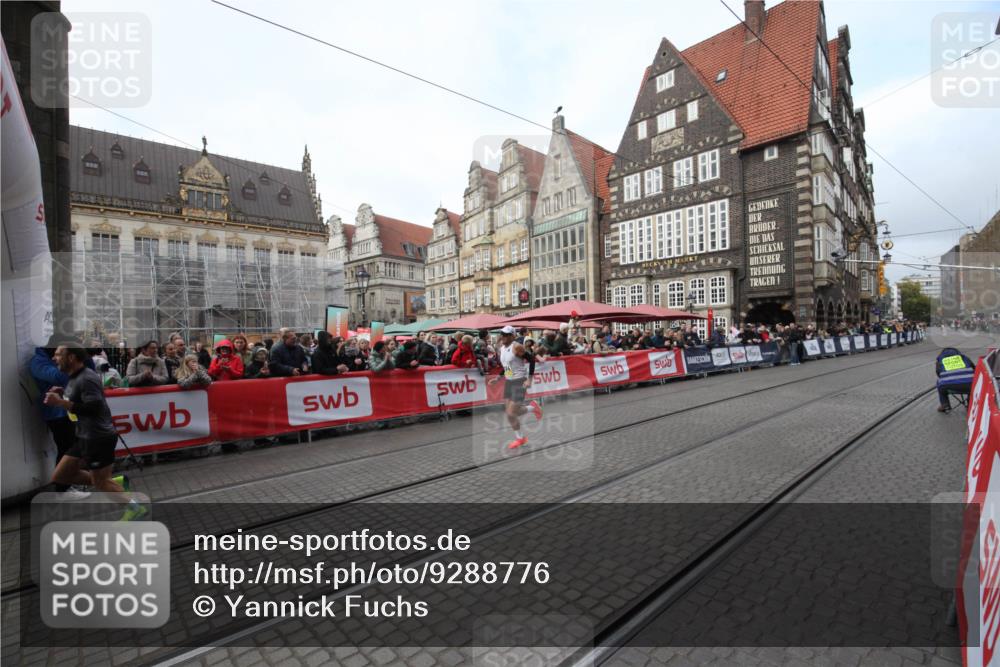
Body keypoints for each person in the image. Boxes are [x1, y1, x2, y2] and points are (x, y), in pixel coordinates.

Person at [45, 344, 145, 521]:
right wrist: (62, 393)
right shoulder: (73, 376)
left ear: (72, 358)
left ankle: (134, 508)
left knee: (100, 482)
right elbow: (79, 397)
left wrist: (60, 403)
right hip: (83, 435)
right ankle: (113, 483)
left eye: (58, 354)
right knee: (61, 476)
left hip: (98, 437)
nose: (54, 358)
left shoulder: (87, 378)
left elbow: (93, 408)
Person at [30, 337, 88, 496]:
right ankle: (62, 489)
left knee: (72, 447)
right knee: (66, 448)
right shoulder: (38, 361)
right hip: (54, 412)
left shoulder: (51, 359)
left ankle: (69, 483)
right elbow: (59, 377)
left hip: (66, 410)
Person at [488, 326, 543, 450]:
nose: (503, 336)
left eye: (506, 334)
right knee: (511, 413)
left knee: (511, 413)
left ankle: (520, 439)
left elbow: (532, 359)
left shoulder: (517, 347)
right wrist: (498, 378)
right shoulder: (502, 348)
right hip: (509, 381)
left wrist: (529, 379)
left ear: (513, 336)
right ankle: (533, 407)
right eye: (502, 334)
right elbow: (507, 366)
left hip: (519, 381)